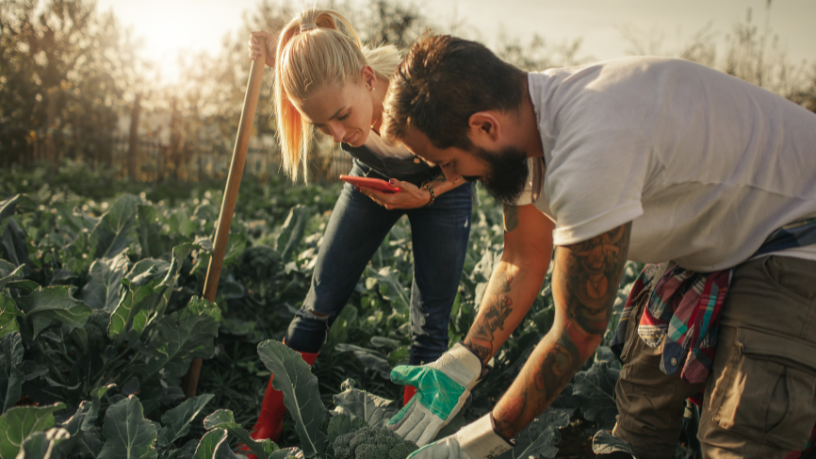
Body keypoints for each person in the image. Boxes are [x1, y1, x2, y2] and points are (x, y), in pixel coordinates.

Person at [378, 33, 816, 459]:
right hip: (721, 234)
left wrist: (480, 441)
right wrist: (465, 362)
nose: (453, 177)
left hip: (796, 233)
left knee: (741, 433)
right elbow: (522, 259)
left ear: (485, 126)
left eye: (450, 163)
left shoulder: (591, 144)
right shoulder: (527, 128)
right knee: (641, 416)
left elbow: (577, 334)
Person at [245, 11, 473, 443]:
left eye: (342, 115)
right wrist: (278, 50)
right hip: (374, 185)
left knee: (431, 321)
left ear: (369, 79)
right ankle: (264, 430)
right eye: (320, 125)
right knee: (319, 301)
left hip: (444, 190)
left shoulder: (428, 98)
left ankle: (408, 443)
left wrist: (425, 195)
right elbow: (312, 65)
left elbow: (477, 159)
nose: (336, 134)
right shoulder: (336, 83)